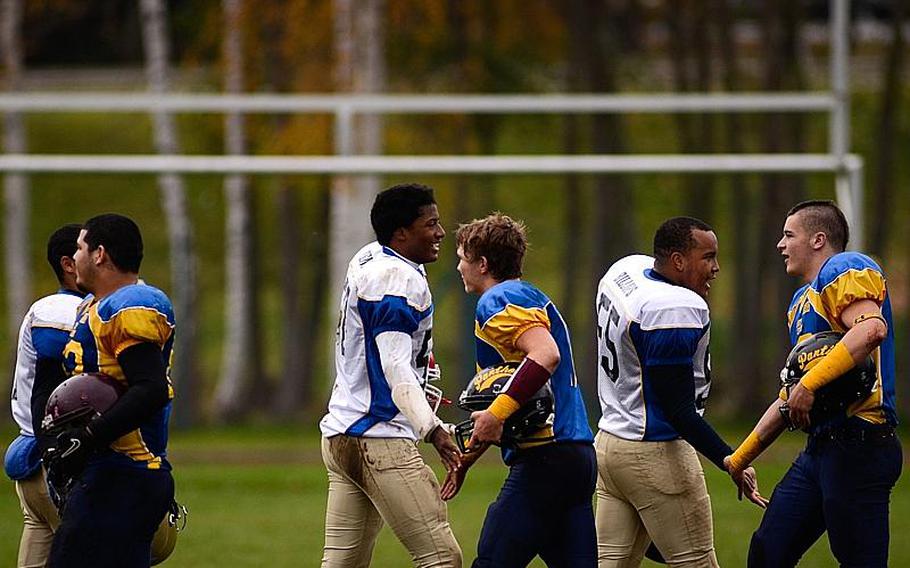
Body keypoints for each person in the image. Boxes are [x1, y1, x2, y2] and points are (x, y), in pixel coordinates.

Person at [727, 200, 902, 567]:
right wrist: (739, 460)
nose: (780, 244)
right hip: (820, 449)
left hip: (861, 443)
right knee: (768, 552)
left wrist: (808, 385)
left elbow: (871, 330)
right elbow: (791, 396)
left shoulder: (846, 266)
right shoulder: (800, 303)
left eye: (789, 235)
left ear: (818, 239)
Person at [593, 216, 764, 567]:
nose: (716, 268)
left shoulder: (626, 270)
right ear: (678, 261)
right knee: (697, 562)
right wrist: (731, 459)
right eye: (708, 257)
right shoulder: (672, 308)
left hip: (611, 446)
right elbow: (678, 409)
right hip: (654, 451)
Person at [319, 183, 462, 568]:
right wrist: (432, 428)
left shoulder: (369, 257)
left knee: (341, 563)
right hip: (379, 439)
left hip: (340, 434)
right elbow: (395, 366)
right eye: (430, 224)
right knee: (441, 558)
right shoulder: (397, 279)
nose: (440, 232)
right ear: (401, 233)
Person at [443, 212, 597, 567]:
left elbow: (546, 354)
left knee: (493, 560)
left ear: (482, 264)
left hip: (545, 458)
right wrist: (467, 459)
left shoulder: (497, 299)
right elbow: (518, 395)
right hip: (577, 457)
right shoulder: (529, 295)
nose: (459, 268)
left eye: (462, 259)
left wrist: (496, 413)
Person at [46, 213, 176, 567]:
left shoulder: (130, 305)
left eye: (80, 248)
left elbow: (150, 389)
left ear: (100, 254)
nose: (75, 257)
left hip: (124, 470)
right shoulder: (93, 307)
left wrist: (88, 437)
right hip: (108, 470)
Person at [4, 224, 84, 568]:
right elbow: (54, 390)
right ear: (69, 264)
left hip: (35, 466)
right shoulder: (59, 311)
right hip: (54, 462)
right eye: (89, 251)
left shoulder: (65, 307)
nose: (98, 258)